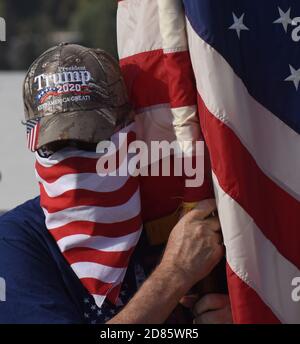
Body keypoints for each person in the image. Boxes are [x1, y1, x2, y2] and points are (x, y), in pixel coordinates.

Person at [0, 43, 232, 324]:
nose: (73, 162)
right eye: (56, 146)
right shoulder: (15, 242)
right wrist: (174, 276)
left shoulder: (167, 222)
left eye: (92, 142)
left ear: (128, 130)